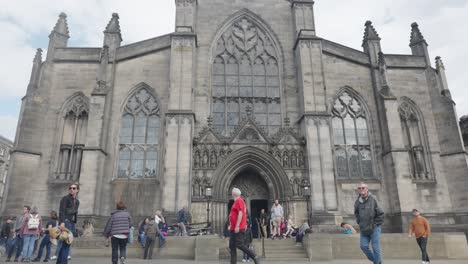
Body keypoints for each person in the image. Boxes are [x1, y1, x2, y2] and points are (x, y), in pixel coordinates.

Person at [354, 182, 384, 264]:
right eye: (359, 188)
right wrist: (359, 222)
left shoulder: (373, 199)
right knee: (363, 246)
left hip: (374, 228)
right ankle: (377, 261)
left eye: (363, 188)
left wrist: (376, 224)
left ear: (367, 189)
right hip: (364, 228)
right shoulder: (357, 201)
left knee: (375, 247)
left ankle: (377, 263)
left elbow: (381, 213)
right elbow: (356, 213)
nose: (361, 189)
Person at [228, 188, 260, 264]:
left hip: (238, 228)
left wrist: (237, 226)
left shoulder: (239, 201)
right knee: (232, 246)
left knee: (239, 244)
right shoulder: (236, 202)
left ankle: (254, 256)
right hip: (233, 228)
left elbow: (241, 213)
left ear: (233, 194)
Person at [51, 183, 80, 261]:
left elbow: (75, 213)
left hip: (72, 223)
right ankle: (63, 262)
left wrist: (75, 223)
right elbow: (62, 211)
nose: (71, 189)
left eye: (74, 188)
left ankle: (61, 261)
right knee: (66, 243)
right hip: (66, 222)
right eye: (70, 188)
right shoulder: (65, 198)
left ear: (77, 190)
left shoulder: (77, 201)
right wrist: (62, 222)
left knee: (67, 243)